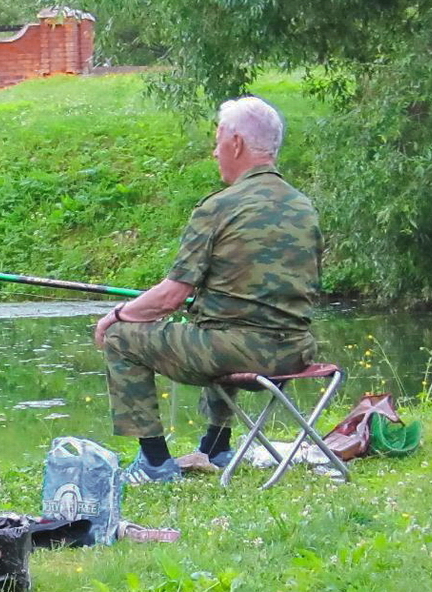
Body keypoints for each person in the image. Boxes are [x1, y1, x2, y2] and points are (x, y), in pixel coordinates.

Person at [94, 96, 322, 483]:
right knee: (214, 322)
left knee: (121, 338)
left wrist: (116, 316)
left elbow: (171, 296)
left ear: (236, 143)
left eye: (218, 142)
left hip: (241, 352)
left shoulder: (219, 206)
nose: (215, 152)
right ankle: (215, 446)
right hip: (295, 353)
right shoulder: (304, 207)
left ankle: (153, 463)